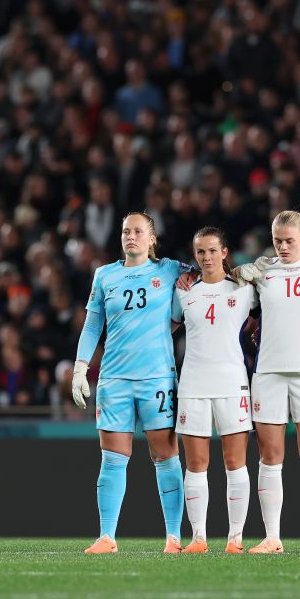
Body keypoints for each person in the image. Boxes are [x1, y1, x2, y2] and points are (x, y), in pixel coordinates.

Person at [72, 212, 192, 554]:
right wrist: (81, 369)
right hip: (114, 379)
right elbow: (93, 325)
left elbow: (206, 271)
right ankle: (107, 537)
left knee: (166, 455)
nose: (131, 236)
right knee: (112, 457)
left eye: (139, 231)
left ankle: (173, 537)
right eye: (126, 231)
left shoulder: (169, 269)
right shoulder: (104, 275)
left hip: (157, 377)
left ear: (152, 238)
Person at [232, 210, 300, 555]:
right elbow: (226, 284)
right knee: (270, 457)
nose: (282, 246)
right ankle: (272, 537)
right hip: (268, 373)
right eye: (277, 240)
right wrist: (238, 271)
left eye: (289, 240)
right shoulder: (263, 270)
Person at [171, 227, 257, 554]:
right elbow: (169, 326)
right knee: (196, 464)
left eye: (212, 251)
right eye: (200, 252)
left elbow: (278, 313)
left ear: (224, 252)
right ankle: (199, 538)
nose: (206, 258)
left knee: (235, 462)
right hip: (193, 383)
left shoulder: (245, 288)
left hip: (232, 382)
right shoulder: (183, 291)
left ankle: (235, 539)